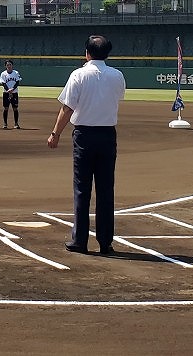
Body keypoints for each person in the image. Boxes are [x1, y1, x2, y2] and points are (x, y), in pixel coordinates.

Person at [48, 35, 125, 255]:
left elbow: (67, 108)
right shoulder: (117, 75)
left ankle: (80, 241)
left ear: (87, 53)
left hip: (84, 135)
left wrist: (55, 134)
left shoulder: (79, 75)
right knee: (105, 190)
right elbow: (117, 97)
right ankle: (105, 242)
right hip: (108, 135)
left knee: (82, 189)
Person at [0, 59, 22, 129]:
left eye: (10, 65)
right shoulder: (3, 74)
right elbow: (3, 83)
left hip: (14, 92)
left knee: (15, 108)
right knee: (6, 108)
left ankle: (16, 123)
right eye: (7, 65)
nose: (9, 66)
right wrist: (8, 90)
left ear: (12, 65)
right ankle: (5, 124)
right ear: (5, 66)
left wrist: (12, 89)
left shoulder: (15, 73)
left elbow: (17, 82)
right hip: (6, 93)